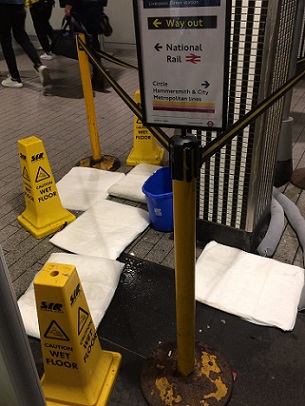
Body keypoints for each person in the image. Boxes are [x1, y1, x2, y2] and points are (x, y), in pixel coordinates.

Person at [0, 0, 51, 88]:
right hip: (20, 6)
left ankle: (15, 77)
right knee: (22, 36)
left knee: (5, 40)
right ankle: (38, 65)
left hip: (4, 6)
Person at [63, 0, 108, 91]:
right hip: (96, 4)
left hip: (81, 6)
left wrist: (69, 4)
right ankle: (98, 72)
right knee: (93, 38)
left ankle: (97, 72)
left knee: (82, 40)